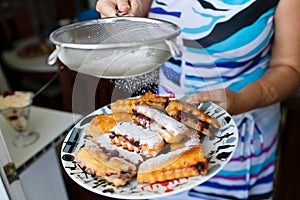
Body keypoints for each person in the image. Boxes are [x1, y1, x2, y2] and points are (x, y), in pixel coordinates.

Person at [96, 0, 300, 199]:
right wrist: (126, 9)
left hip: (239, 134)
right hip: (162, 134)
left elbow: (289, 68)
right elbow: (140, 8)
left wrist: (239, 100)